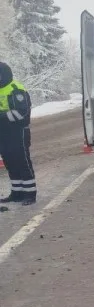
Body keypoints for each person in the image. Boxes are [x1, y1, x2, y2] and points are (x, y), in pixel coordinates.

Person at [0, 62, 36, 205]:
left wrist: (2, 117)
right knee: (10, 162)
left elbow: (22, 113)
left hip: (18, 131)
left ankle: (30, 194)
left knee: (22, 161)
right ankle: (17, 192)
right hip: (4, 132)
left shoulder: (16, 88)